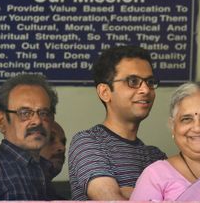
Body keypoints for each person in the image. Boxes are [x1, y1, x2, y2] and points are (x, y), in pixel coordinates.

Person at [68, 46, 167, 200]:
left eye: (150, 81)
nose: (146, 90)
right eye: (133, 81)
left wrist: (129, 193)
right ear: (105, 92)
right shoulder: (87, 142)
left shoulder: (155, 157)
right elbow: (112, 200)